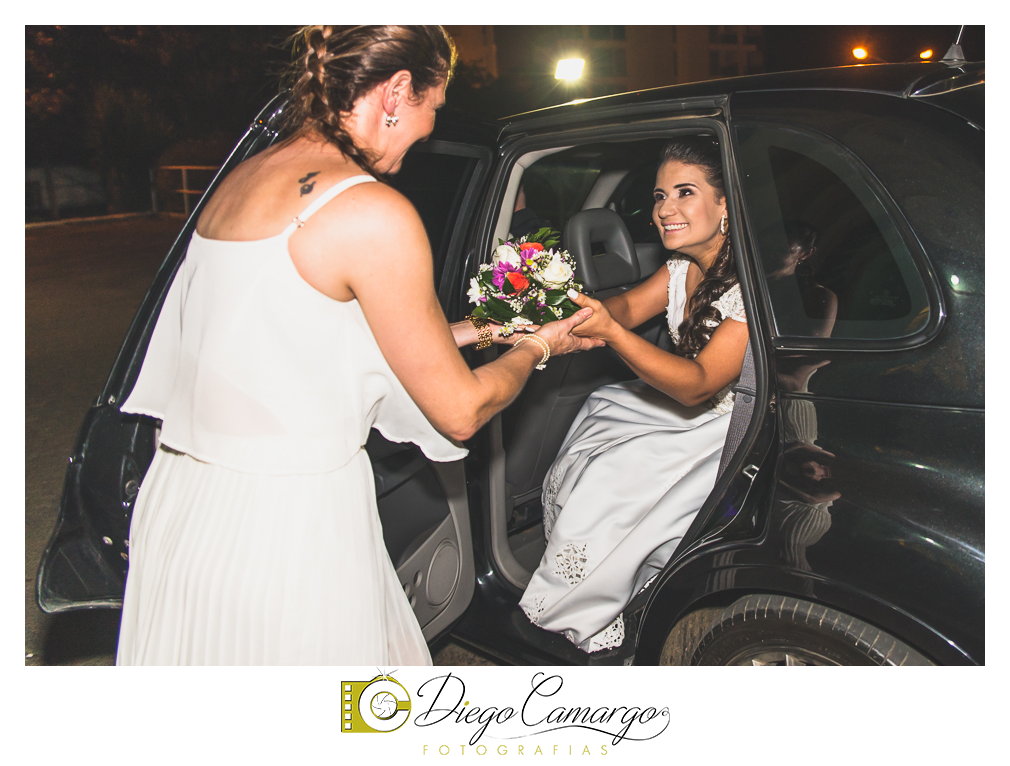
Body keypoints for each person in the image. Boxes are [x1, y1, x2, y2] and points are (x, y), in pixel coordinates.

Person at [115, 25, 600, 666]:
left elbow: (315, 336)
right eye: (435, 106)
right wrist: (536, 347)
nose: (431, 126)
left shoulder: (235, 183)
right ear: (398, 90)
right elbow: (461, 410)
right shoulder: (373, 213)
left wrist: (492, 328)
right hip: (287, 519)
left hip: (185, 503)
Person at [518, 136, 749, 652]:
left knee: (610, 477)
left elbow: (698, 385)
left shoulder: (750, 289)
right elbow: (622, 309)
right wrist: (558, 321)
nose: (665, 209)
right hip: (682, 408)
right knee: (598, 412)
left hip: (724, 424)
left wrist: (612, 334)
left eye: (684, 193)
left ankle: (585, 604)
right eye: (660, 195)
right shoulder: (679, 268)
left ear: (726, 206)